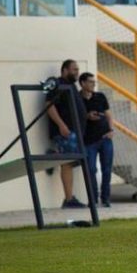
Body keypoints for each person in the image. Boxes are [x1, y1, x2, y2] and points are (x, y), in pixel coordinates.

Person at [46, 59, 88, 209]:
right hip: (66, 131)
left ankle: (53, 155)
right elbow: (49, 105)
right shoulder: (57, 83)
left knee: (72, 162)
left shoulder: (72, 86)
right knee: (68, 163)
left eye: (77, 69)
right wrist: (61, 125)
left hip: (76, 132)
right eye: (73, 69)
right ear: (64, 70)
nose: (77, 72)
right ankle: (69, 199)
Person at [78, 72, 114, 208]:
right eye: (90, 82)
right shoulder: (77, 98)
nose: (93, 84)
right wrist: (87, 116)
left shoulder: (100, 97)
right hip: (88, 140)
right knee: (91, 169)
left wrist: (111, 130)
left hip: (105, 138)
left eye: (94, 82)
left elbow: (108, 114)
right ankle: (93, 199)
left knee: (106, 169)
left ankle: (106, 198)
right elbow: (73, 116)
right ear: (82, 83)